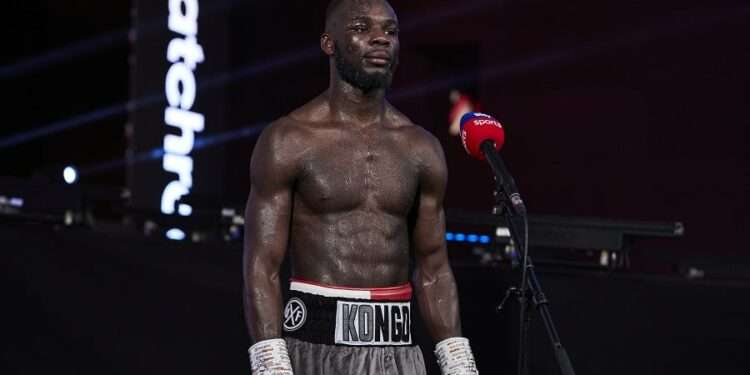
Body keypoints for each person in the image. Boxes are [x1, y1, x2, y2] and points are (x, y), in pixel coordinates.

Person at [242, 0, 479, 374]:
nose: (380, 39)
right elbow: (261, 265)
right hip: (314, 352)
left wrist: (459, 366)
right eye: (361, 28)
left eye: (390, 31)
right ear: (328, 43)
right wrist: (271, 364)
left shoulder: (421, 148)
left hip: (398, 354)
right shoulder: (289, 140)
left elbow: (435, 268)